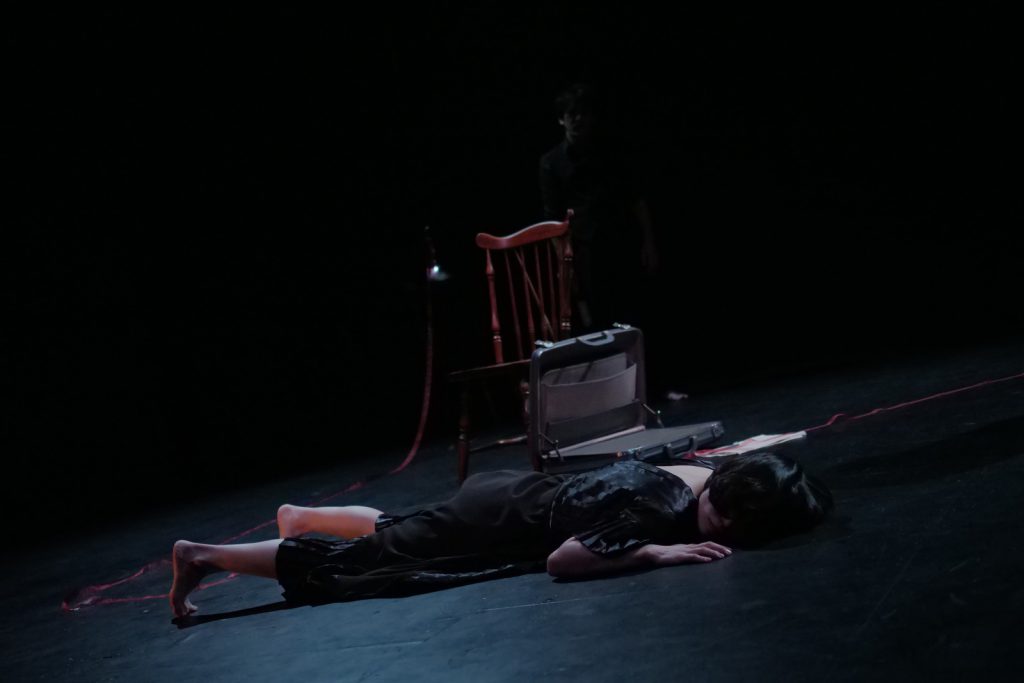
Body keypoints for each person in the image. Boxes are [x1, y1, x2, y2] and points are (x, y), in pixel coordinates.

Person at [169, 451, 832, 618]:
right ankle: (202, 555)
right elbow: (563, 561)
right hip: (498, 521)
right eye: (730, 518)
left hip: (512, 492)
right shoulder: (661, 510)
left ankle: (299, 514)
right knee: (356, 565)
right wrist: (657, 552)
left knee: (406, 528)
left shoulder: (698, 475)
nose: (728, 529)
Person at [539, 83, 659, 331]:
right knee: (595, 320)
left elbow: (635, 197)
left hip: (620, 242)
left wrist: (648, 242)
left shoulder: (610, 153)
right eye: (572, 114)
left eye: (583, 113)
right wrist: (565, 263)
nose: (578, 119)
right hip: (584, 251)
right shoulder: (551, 163)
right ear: (561, 119)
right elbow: (553, 220)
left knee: (629, 314)